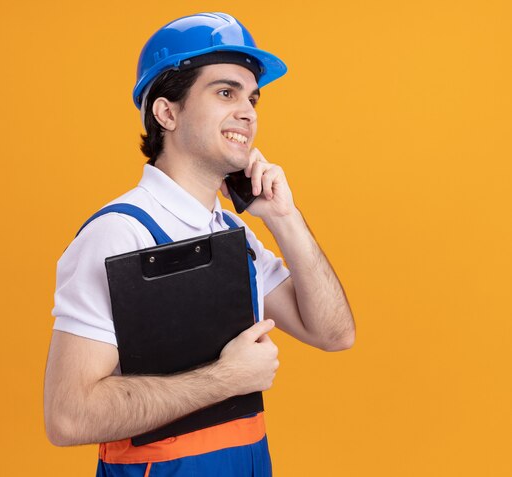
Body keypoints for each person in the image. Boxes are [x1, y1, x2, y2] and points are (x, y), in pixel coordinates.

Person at [44, 12, 355, 476]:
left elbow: (334, 334)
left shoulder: (234, 234)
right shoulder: (120, 234)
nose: (248, 112)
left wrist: (284, 219)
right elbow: (68, 416)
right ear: (167, 112)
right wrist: (225, 379)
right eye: (225, 92)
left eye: (253, 98)